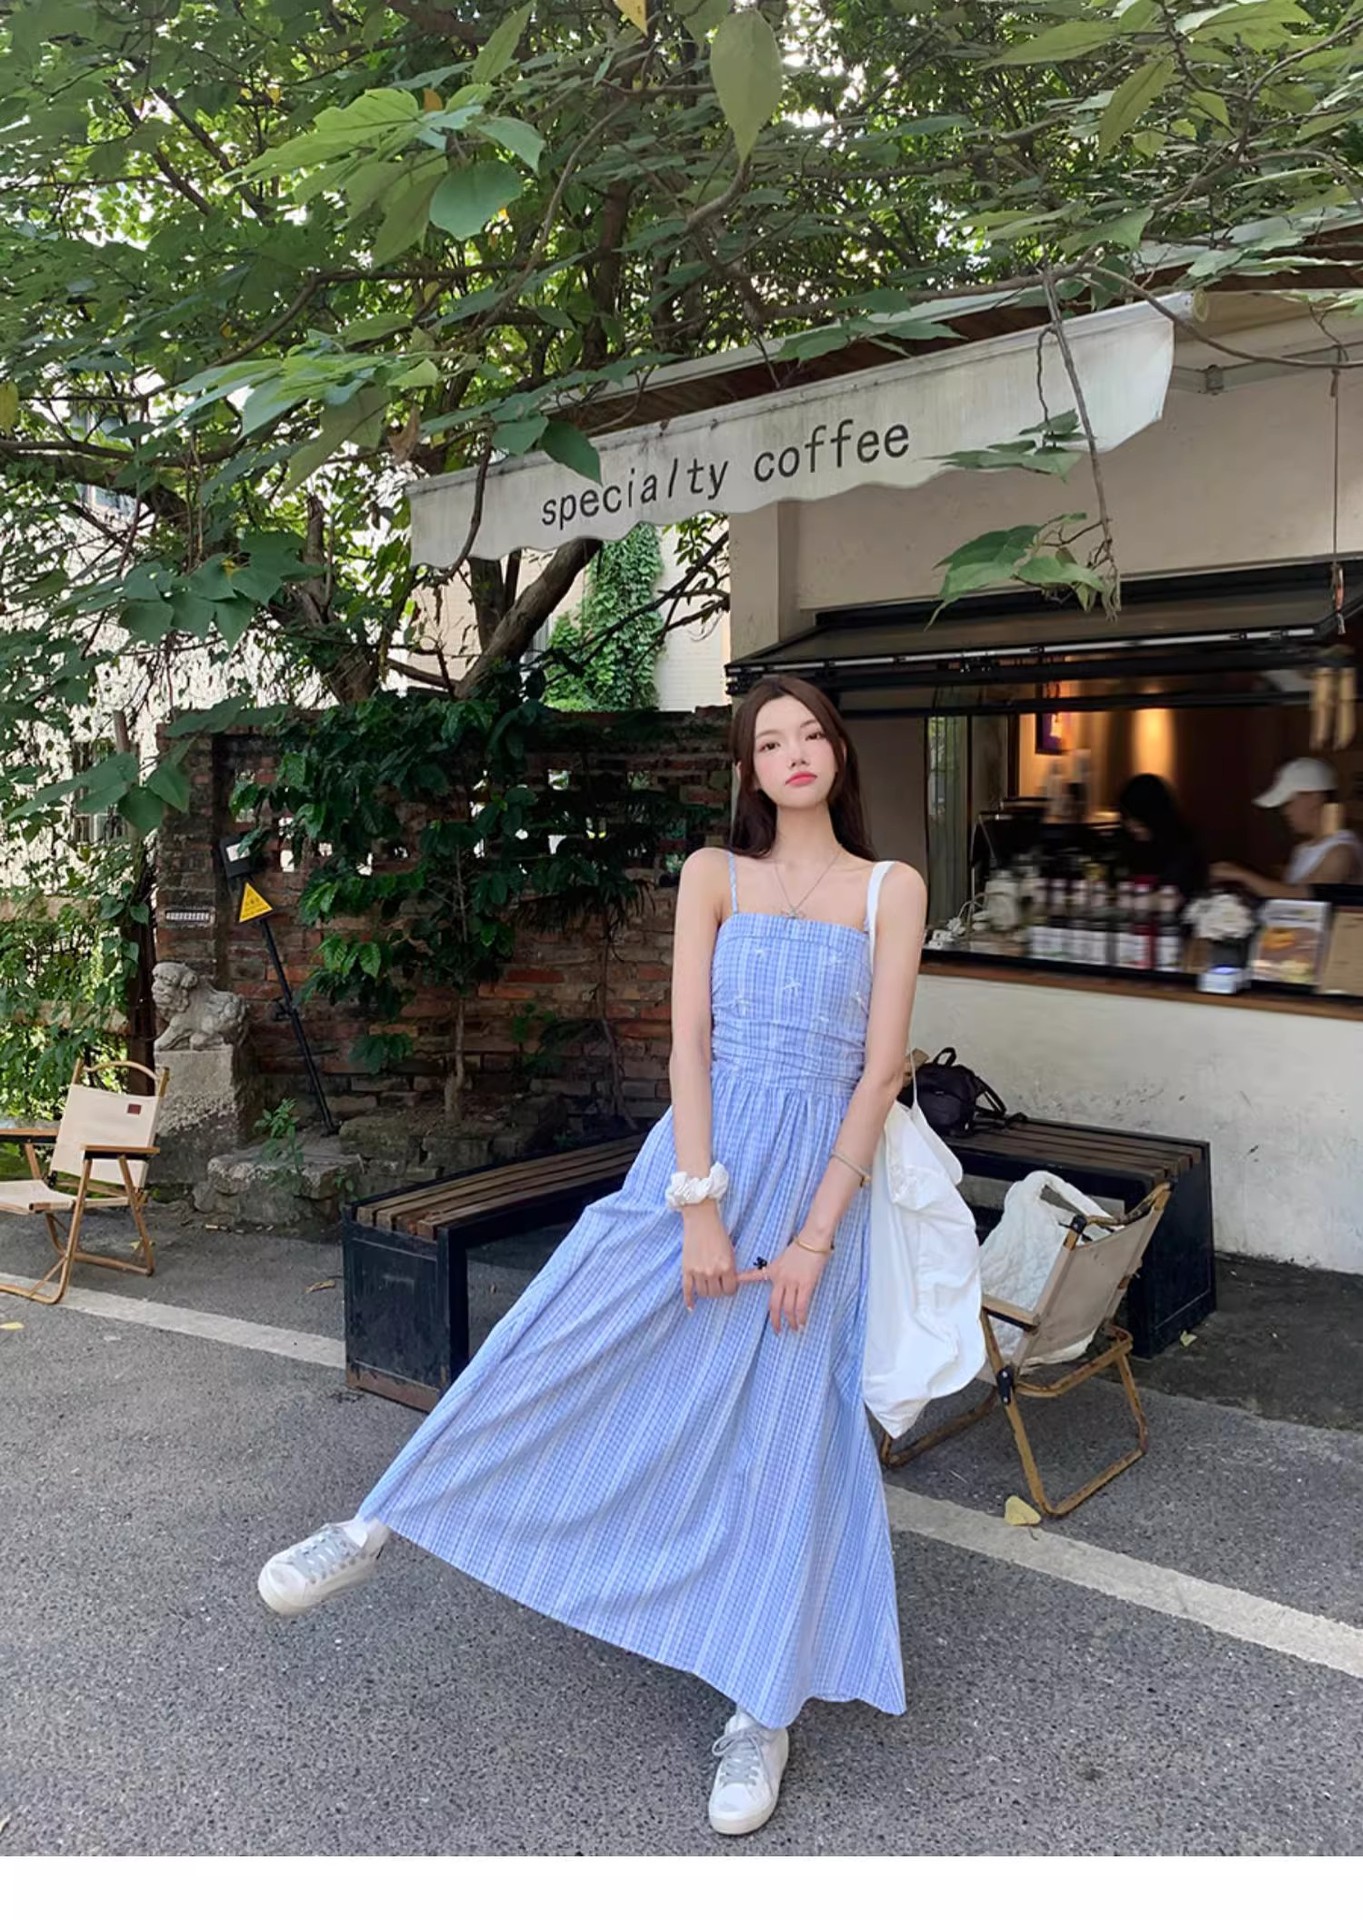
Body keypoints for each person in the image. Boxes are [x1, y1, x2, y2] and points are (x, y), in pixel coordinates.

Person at [256, 673, 928, 1838]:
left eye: (812, 733)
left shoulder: (890, 888)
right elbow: (688, 1047)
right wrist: (699, 1205)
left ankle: (759, 1711)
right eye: (771, 740)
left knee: (787, 1435)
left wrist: (815, 1237)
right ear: (747, 768)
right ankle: (376, 1523)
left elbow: (877, 1076)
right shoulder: (714, 875)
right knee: (558, 1331)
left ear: (837, 753)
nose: (795, 752)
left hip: (820, 1185)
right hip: (699, 1164)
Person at [1211, 757, 1363, 900]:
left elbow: (1302, 898)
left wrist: (1242, 875)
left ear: (1315, 798)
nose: (1285, 812)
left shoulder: (1341, 852)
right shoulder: (1304, 848)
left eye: (1288, 803)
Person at [1116, 773, 1208, 903]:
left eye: (1139, 820)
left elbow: (1176, 893)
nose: (1131, 825)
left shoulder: (1182, 845)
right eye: (1127, 818)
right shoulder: (1124, 841)